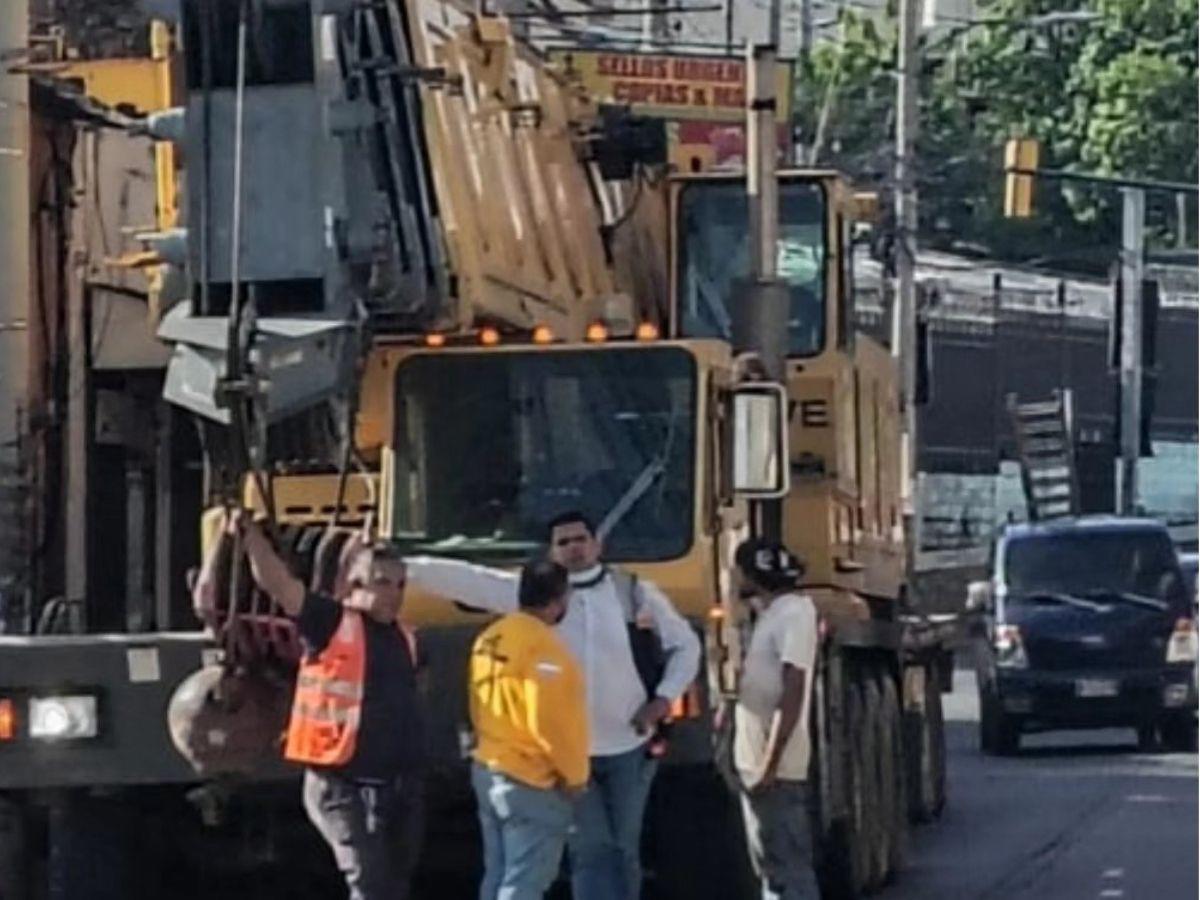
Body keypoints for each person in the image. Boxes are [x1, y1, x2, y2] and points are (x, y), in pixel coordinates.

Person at [406, 510, 702, 900]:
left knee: (624, 849)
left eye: (580, 539)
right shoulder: (533, 595)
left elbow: (686, 645)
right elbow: (468, 580)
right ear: (551, 552)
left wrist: (664, 699)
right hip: (568, 756)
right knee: (590, 850)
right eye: (563, 542)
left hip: (630, 745)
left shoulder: (633, 590)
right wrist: (403, 566)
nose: (574, 548)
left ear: (598, 544)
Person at [195, 512, 424, 900]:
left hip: (394, 789)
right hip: (340, 784)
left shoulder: (406, 638)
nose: (393, 593)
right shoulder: (332, 623)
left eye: (400, 585)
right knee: (369, 882)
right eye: (382, 583)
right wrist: (251, 539)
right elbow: (281, 586)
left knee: (393, 885)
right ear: (354, 585)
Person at [470, 558, 589, 900]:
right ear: (559, 599)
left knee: (497, 874)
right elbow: (549, 721)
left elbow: (479, 704)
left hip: (489, 767)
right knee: (525, 882)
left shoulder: (490, 638)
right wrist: (575, 776)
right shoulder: (546, 650)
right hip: (530, 778)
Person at [731, 538, 820, 900]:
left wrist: (771, 761)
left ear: (755, 575)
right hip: (759, 768)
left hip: (778, 770)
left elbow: (793, 688)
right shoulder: (772, 614)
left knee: (788, 869)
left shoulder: (795, 614)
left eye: (740, 571)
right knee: (771, 868)